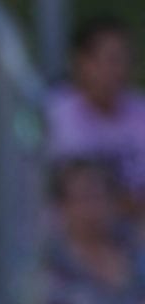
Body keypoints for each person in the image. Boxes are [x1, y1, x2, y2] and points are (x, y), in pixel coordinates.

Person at [45, 14, 145, 222]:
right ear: (81, 61)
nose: (119, 70)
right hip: (72, 238)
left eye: (126, 61)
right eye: (111, 60)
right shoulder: (55, 115)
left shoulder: (140, 111)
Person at [42, 157, 145, 304]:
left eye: (100, 196)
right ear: (62, 207)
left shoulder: (136, 252)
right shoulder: (48, 268)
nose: (93, 208)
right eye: (83, 198)